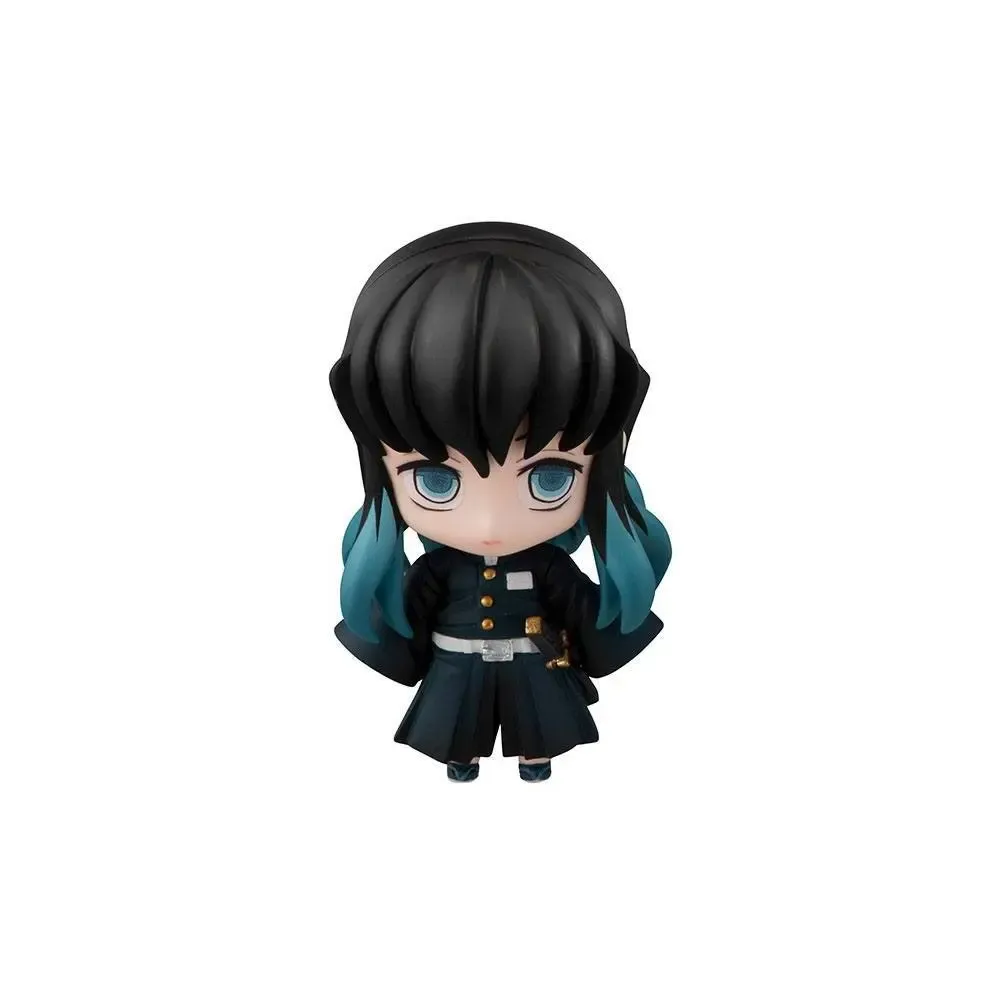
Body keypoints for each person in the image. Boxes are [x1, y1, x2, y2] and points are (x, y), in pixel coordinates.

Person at [329, 222, 670, 782]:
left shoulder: (548, 567)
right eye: (437, 481)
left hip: (531, 664)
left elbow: (584, 612)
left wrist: (607, 635)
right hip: (456, 667)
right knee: (454, 718)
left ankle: (535, 755)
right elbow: (409, 618)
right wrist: (389, 643)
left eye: (549, 479)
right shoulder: (439, 571)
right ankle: (460, 755)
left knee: (539, 716)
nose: (490, 521)